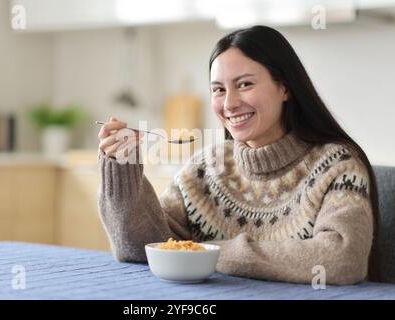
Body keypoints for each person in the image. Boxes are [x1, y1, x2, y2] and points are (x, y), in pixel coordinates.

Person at [97, 25, 380, 285]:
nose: (229, 103)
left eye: (245, 84)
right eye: (218, 90)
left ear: (284, 87)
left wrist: (210, 252)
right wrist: (121, 168)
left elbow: (342, 259)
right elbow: (145, 249)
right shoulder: (204, 168)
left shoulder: (337, 165)